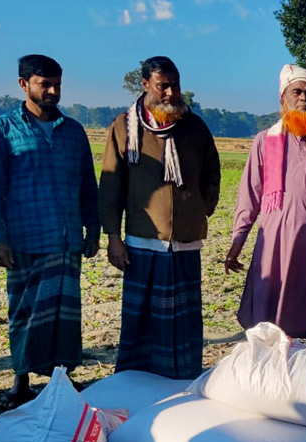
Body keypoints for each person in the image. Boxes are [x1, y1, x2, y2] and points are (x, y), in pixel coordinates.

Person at [0, 55, 99, 409]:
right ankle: (20, 383)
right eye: (45, 84)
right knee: (25, 314)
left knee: (64, 315)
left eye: (57, 84)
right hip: (24, 240)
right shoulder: (1, 129)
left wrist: (93, 229)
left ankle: (60, 380)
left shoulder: (73, 131)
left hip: (65, 241)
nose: (53, 91)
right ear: (23, 84)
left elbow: (87, 186)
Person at [99, 56, 220, 379]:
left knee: (184, 323)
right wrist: (113, 237)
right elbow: (110, 186)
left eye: (175, 85)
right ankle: (136, 382)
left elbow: (212, 172)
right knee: (141, 322)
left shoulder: (194, 126)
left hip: (185, 242)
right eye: (163, 86)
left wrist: (199, 207)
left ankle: (182, 380)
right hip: (142, 243)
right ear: (145, 85)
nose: (170, 92)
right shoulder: (124, 128)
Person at [225, 64, 306, 355]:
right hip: (274, 249)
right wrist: (237, 241)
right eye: (296, 91)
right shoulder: (264, 142)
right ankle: (272, 374)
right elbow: (249, 197)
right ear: (283, 99)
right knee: (271, 316)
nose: (304, 97)